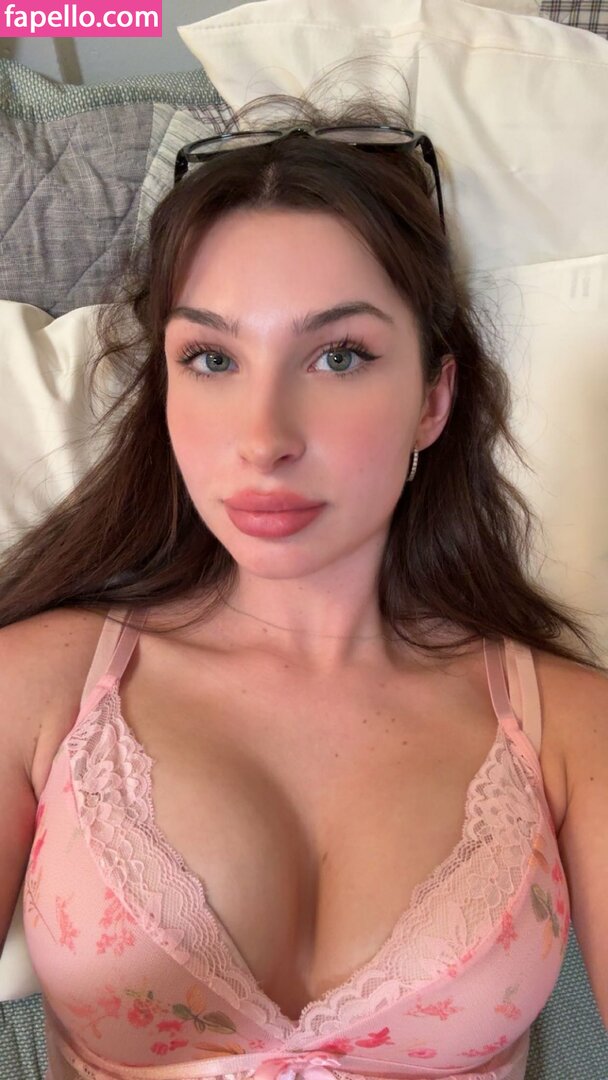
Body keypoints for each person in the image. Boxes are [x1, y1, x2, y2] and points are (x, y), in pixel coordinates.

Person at [0, 69, 606, 1080]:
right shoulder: (35, 687)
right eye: (211, 359)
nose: (264, 437)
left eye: (338, 357)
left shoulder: (570, 728)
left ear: (432, 400)